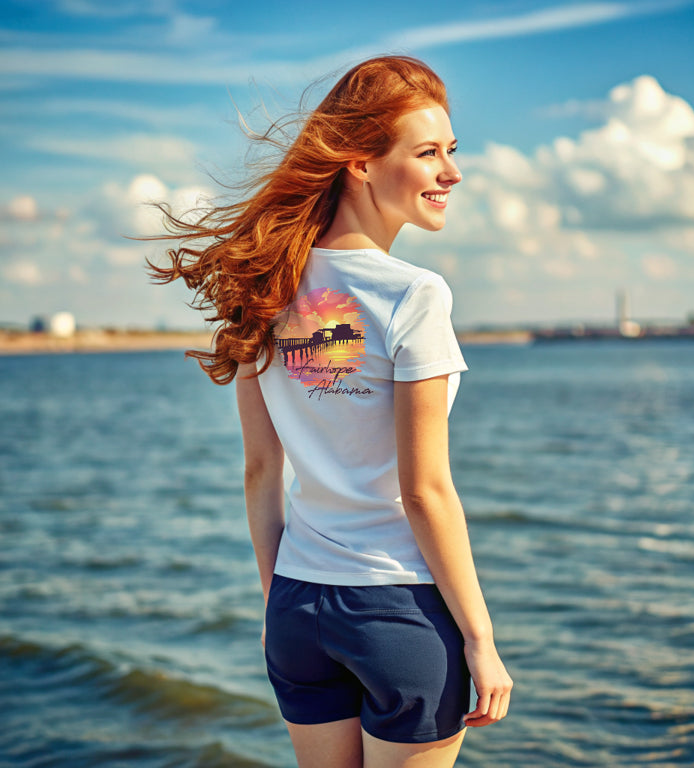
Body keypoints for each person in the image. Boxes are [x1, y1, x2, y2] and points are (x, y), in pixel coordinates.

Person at [148, 55, 512, 768]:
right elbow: (424, 490)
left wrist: (274, 603)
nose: (452, 173)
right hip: (397, 612)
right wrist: (480, 637)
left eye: (453, 152)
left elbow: (260, 470)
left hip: (296, 607)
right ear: (362, 164)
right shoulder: (415, 296)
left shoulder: (262, 285)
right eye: (428, 153)